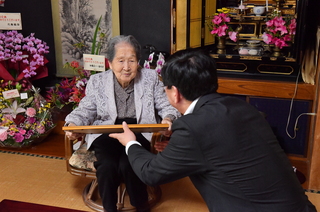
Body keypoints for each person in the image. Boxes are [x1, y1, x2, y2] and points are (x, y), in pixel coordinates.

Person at [109, 48, 317, 212]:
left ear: (175, 93)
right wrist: (181, 147)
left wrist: (131, 142)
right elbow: (223, 147)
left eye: (166, 88)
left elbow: (150, 174)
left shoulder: (192, 127)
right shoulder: (243, 107)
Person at [64, 35, 181, 212]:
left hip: (140, 130)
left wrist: (168, 119)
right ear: (110, 63)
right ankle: (109, 208)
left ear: (138, 61)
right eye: (120, 61)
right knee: (107, 164)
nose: (126, 67)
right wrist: (73, 124)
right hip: (107, 131)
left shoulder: (150, 78)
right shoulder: (98, 82)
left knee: (130, 163)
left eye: (132, 61)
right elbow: (86, 109)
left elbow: (166, 105)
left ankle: (141, 206)